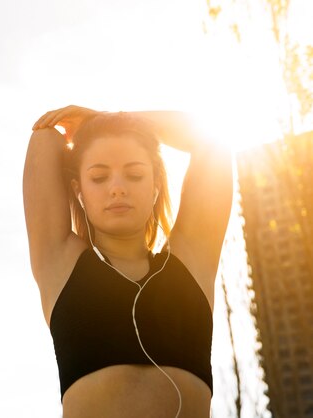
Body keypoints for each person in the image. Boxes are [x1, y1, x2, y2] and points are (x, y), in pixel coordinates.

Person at [22, 105, 233, 418]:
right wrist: (105, 125)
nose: (117, 188)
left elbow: (213, 142)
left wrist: (114, 120)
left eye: (134, 174)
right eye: (98, 177)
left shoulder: (193, 258)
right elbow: (44, 138)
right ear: (78, 191)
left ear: (156, 186)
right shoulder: (60, 262)